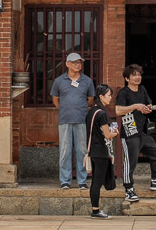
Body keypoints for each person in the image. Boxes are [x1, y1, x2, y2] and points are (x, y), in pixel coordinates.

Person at [115, 64, 156, 202]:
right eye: (134, 75)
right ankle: (129, 189)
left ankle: (155, 180)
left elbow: (149, 104)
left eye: (139, 75)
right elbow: (118, 110)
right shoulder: (124, 92)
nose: (137, 77)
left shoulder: (143, 89)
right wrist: (135, 106)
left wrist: (148, 108)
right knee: (130, 162)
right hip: (129, 132)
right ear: (127, 78)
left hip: (141, 131)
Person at [50, 52, 95, 189]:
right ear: (67, 64)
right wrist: (65, 108)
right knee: (65, 151)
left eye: (79, 62)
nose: (77, 65)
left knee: (82, 151)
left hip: (81, 120)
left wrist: (79, 109)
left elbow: (90, 99)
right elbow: (55, 99)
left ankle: (82, 181)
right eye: (74, 62)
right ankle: (65, 180)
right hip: (64, 120)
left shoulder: (87, 81)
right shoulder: (59, 81)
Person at [86, 84, 119, 219]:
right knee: (97, 182)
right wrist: (115, 133)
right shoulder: (102, 114)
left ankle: (95, 209)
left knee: (96, 181)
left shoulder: (91, 112)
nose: (110, 98)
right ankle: (95, 210)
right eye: (109, 95)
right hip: (101, 151)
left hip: (93, 150)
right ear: (101, 96)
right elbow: (107, 134)